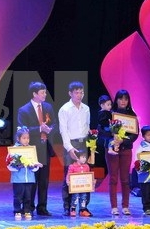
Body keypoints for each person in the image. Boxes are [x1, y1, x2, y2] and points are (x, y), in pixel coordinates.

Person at [16, 81, 56, 216]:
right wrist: (39, 129)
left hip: (45, 147)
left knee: (44, 181)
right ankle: (29, 206)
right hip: (31, 149)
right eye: (42, 92)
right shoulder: (24, 110)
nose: (45, 94)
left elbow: (54, 124)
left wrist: (50, 129)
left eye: (45, 92)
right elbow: (22, 129)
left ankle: (42, 207)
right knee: (32, 179)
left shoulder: (48, 107)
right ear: (34, 94)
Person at [58, 81, 92, 217]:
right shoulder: (65, 109)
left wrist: (91, 143)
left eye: (81, 92)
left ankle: (83, 207)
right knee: (69, 175)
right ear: (70, 93)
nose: (79, 95)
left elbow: (87, 126)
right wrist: (69, 148)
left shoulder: (86, 108)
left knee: (85, 175)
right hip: (71, 144)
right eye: (76, 92)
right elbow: (63, 130)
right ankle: (68, 207)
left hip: (84, 143)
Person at [106, 89, 138, 216]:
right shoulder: (110, 114)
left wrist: (123, 140)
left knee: (125, 179)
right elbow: (102, 131)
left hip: (126, 150)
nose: (123, 101)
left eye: (126, 99)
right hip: (112, 150)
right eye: (120, 98)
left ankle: (125, 206)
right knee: (113, 178)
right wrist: (113, 139)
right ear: (116, 100)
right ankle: (114, 207)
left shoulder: (132, 115)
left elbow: (135, 135)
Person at [7, 127, 41, 220]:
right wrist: (17, 165)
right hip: (18, 178)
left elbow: (34, 161)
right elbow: (9, 164)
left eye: (28, 138)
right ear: (18, 138)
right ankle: (17, 211)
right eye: (24, 138)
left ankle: (27, 211)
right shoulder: (14, 150)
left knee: (28, 196)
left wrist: (35, 165)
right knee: (18, 196)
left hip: (29, 178)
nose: (26, 140)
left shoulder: (31, 149)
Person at [66, 151, 92, 217]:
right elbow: (69, 174)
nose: (84, 159)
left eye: (85, 157)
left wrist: (91, 181)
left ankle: (82, 210)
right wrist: (68, 181)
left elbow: (88, 175)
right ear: (77, 158)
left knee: (84, 197)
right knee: (75, 197)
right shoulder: (72, 166)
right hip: (75, 187)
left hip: (84, 187)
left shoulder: (86, 166)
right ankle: (73, 209)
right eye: (82, 157)